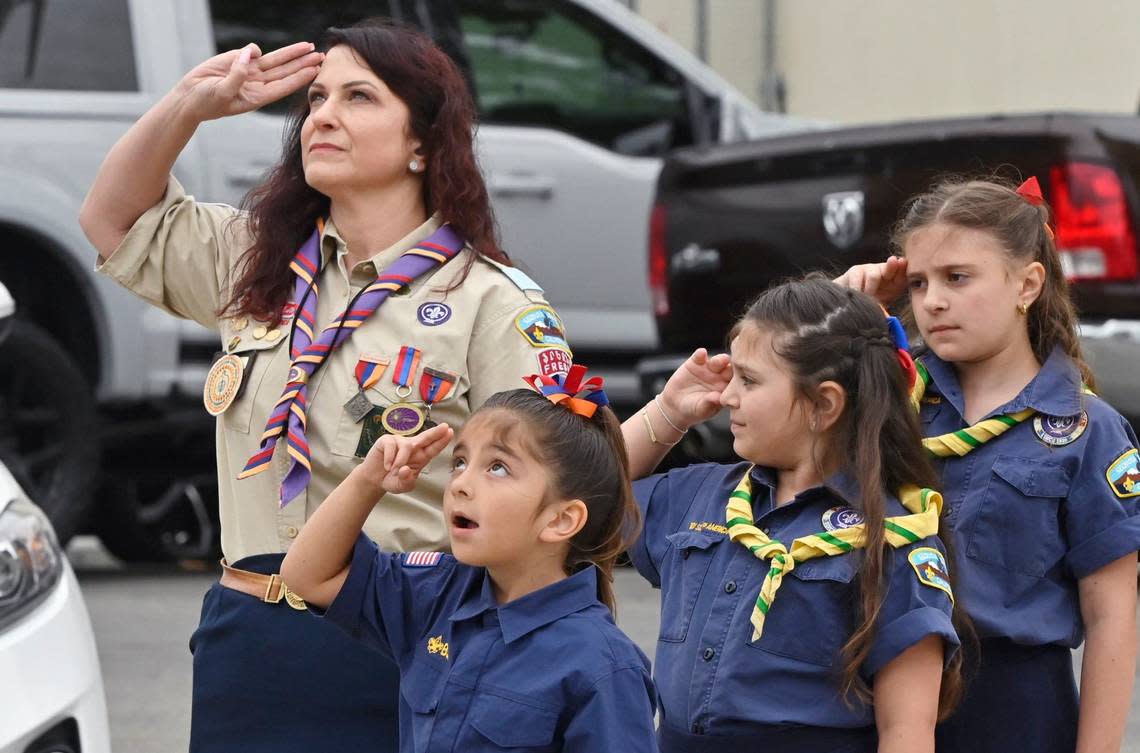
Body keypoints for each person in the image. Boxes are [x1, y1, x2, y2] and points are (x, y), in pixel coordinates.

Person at [79, 19, 574, 752]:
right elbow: (111, 220)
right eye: (315, 99)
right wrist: (188, 104)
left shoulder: (490, 301)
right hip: (248, 640)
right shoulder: (258, 259)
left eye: (359, 98)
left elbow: (557, 488)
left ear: (421, 143)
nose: (325, 116)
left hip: (397, 642)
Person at [835, 176, 1140, 753]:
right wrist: (846, 309)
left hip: (1011, 712)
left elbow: (1112, 619)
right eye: (919, 282)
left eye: (957, 278)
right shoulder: (888, 400)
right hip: (867, 698)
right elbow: (786, 421)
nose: (932, 302)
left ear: (1027, 284)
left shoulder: (1086, 431)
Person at [620, 277, 965, 753]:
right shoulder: (701, 494)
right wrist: (668, 412)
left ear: (824, 404)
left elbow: (906, 732)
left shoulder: (895, 541)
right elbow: (584, 498)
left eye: (750, 380)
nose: (726, 397)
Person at [280, 367, 658, 752]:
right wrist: (368, 480)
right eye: (460, 462)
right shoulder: (437, 594)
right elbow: (308, 577)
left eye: (497, 467)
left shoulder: (602, 666)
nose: (460, 483)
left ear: (561, 520)